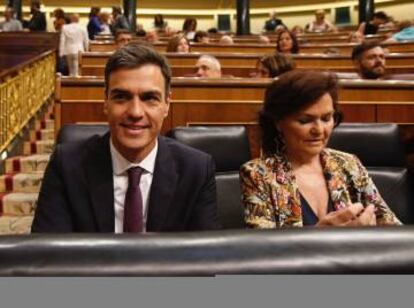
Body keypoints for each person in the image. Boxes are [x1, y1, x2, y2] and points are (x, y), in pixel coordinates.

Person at [32, 44, 220, 233]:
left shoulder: (196, 169)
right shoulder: (67, 165)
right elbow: (49, 254)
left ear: (166, 104)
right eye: (121, 97)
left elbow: (204, 257)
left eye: (149, 98)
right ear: (106, 102)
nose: (135, 112)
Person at [240, 70, 401, 228]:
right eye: (304, 120)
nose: (319, 129)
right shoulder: (257, 174)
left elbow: (392, 227)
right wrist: (321, 237)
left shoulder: (348, 163)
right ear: (278, 122)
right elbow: (263, 247)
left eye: (326, 118)